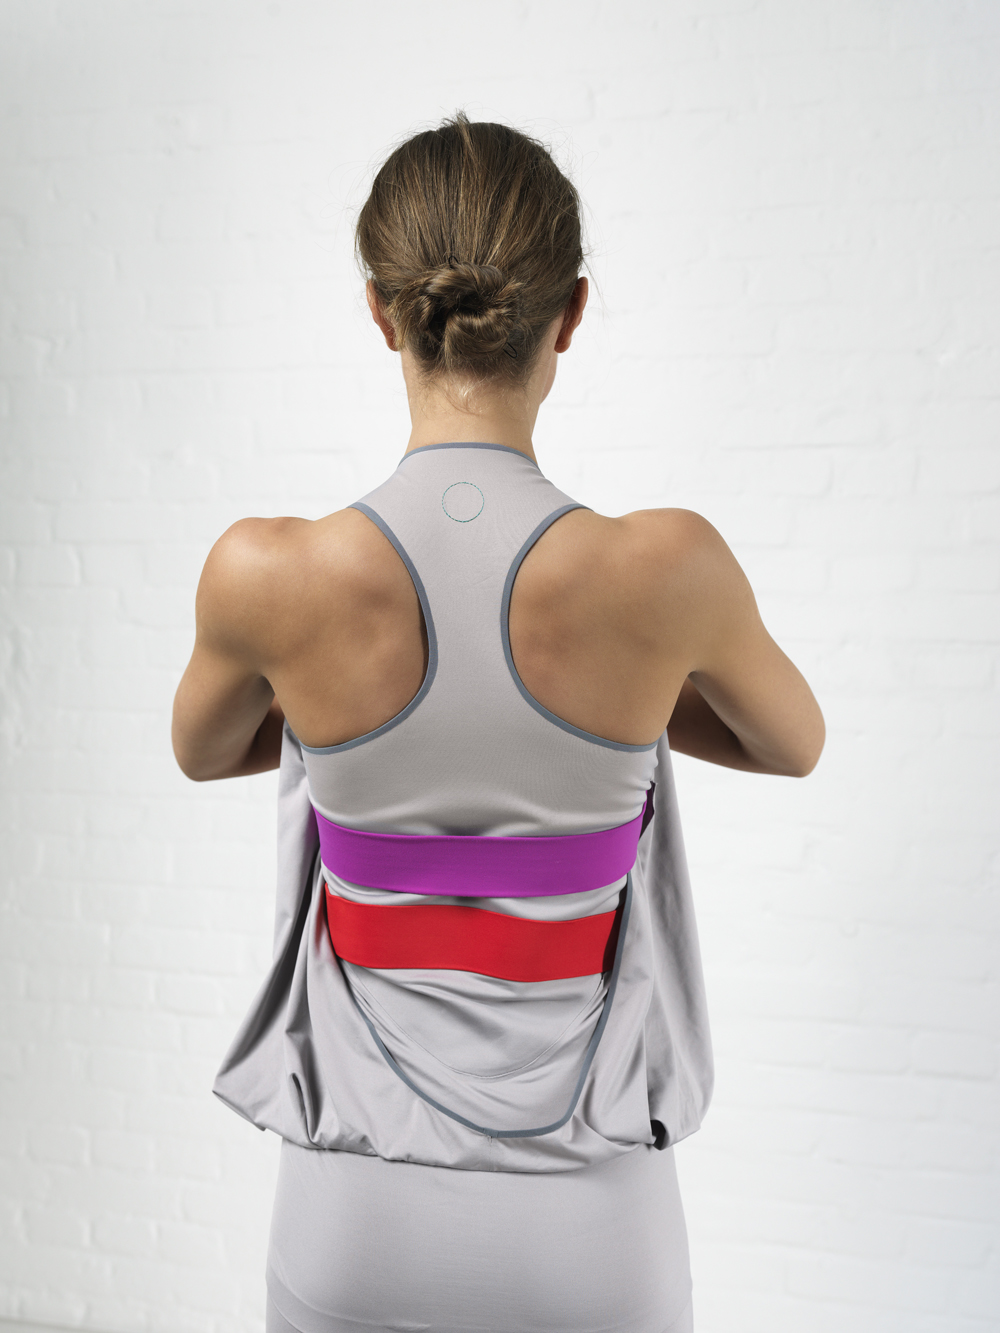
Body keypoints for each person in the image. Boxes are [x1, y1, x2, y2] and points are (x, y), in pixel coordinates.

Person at [172, 112, 824, 1333]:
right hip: (595, 1237)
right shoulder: (666, 572)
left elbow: (202, 749)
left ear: (381, 313)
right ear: (568, 314)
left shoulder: (266, 574)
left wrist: (339, 724)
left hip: (350, 1224)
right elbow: (793, 741)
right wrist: (624, 707)